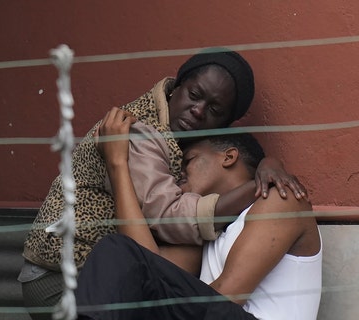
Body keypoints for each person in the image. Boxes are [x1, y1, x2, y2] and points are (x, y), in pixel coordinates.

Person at [20, 48, 308, 319]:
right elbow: (163, 223)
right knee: (121, 255)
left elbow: (200, 290)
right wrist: (255, 186)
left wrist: (270, 165)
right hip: (58, 274)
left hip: (104, 274)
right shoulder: (137, 131)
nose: (198, 111)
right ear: (177, 86)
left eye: (214, 111)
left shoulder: (275, 202)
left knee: (125, 259)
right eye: (194, 95)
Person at [75, 108, 321, 320]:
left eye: (188, 161)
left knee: (120, 254)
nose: (178, 178)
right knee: (118, 254)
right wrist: (116, 164)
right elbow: (145, 268)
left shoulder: (280, 198)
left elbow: (226, 297)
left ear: (228, 157)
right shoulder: (210, 236)